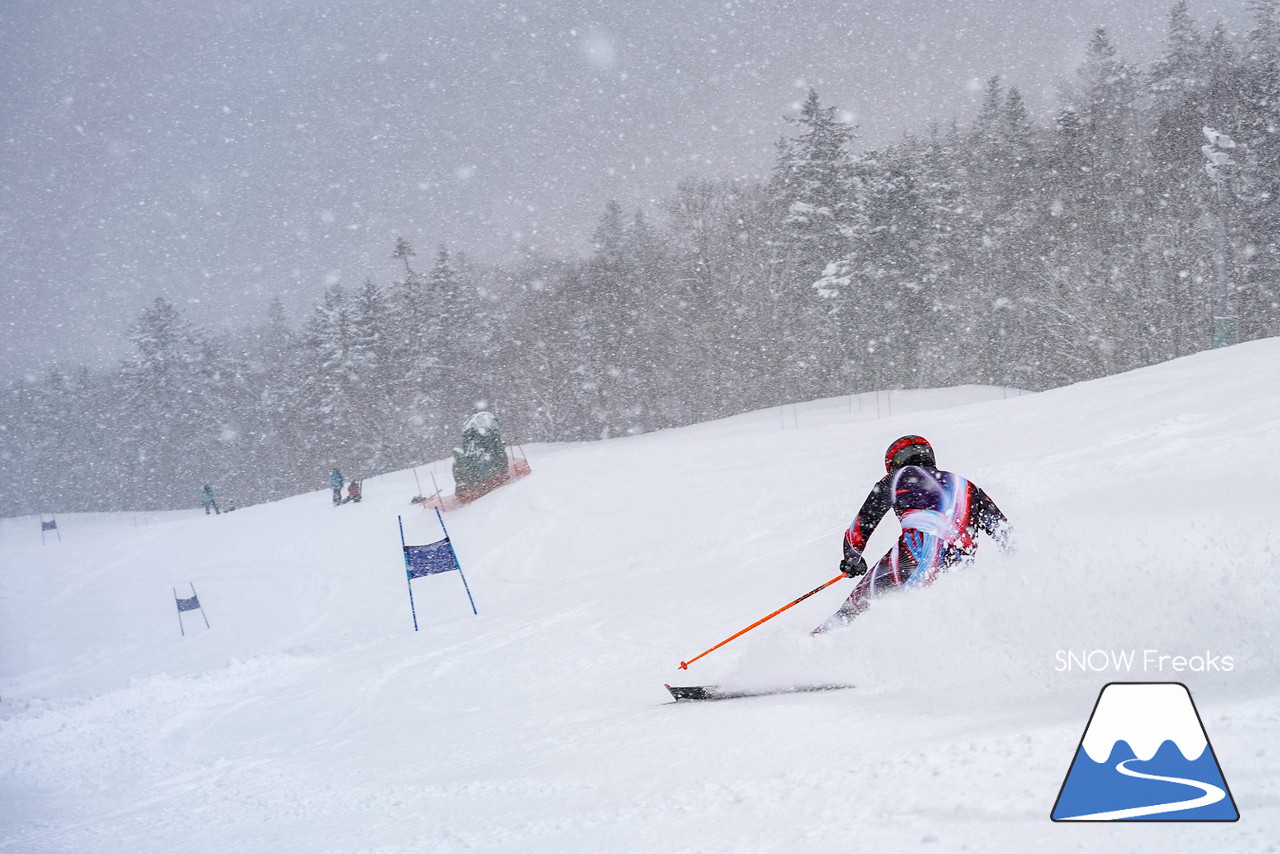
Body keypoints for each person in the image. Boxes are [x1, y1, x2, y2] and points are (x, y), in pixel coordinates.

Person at [814, 435, 1010, 634]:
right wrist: (1016, 564)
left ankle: (816, 644)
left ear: (894, 462)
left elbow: (862, 523)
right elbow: (1004, 531)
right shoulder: (967, 485)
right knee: (934, 619)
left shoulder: (899, 476)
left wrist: (852, 559)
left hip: (916, 551)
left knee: (856, 607)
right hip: (959, 563)